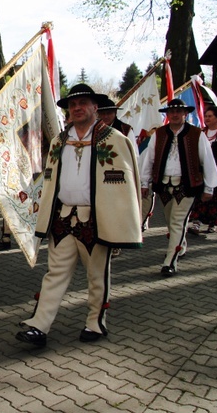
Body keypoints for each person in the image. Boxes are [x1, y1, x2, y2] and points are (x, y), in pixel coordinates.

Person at [16, 84, 142, 348]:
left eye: (83, 103)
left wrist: (121, 223)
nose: (77, 108)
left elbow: (126, 186)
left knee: (97, 275)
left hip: (95, 219)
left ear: (95, 107)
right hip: (62, 217)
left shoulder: (114, 139)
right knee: (55, 273)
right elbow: (49, 181)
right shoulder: (59, 142)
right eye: (73, 105)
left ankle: (96, 321)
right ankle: (39, 325)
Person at [140, 99, 217, 276]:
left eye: (178, 111)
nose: (175, 114)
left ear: (185, 114)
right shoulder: (159, 134)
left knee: (177, 222)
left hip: (188, 186)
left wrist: (209, 187)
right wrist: (144, 183)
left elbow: (207, 160)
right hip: (163, 186)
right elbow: (149, 160)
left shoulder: (196, 134)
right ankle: (180, 245)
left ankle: (170, 261)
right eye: (171, 111)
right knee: (171, 223)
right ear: (167, 115)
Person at [97, 97, 138, 257]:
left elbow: (134, 156)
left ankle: (115, 243)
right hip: (98, 177)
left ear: (115, 113)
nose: (106, 117)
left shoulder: (126, 130)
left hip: (119, 178)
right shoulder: (92, 130)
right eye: (102, 113)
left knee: (116, 212)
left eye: (109, 113)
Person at [188, 105, 217, 234]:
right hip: (201, 170)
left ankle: (212, 223)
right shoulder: (201, 133)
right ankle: (196, 223)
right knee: (199, 196)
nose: (207, 118)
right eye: (206, 116)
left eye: (210, 116)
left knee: (215, 198)